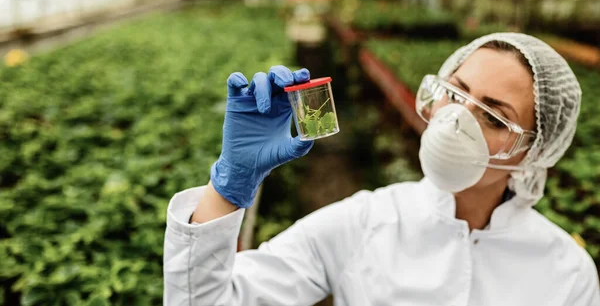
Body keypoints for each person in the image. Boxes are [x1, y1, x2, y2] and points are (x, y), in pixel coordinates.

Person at [162, 33, 600, 305]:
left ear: (534, 151)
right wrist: (228, 186)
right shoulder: (363, 222)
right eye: (456, 92)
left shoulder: (567, 273)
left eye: (493, 115)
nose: (457, 118)